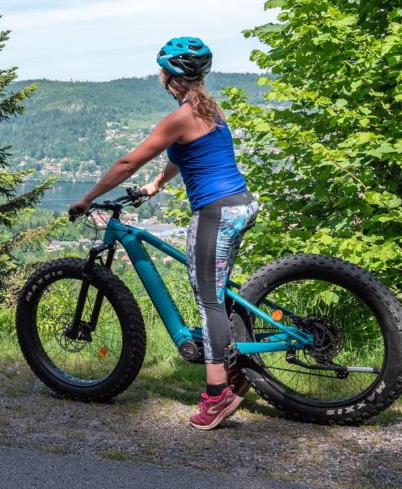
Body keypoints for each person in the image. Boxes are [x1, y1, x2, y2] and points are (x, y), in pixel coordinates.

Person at [68, 36, 259, 430]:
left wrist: (88, 198)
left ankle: (216, 395)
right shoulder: (208, 109)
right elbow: (183, 153)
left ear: (168, 76)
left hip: (215, 212)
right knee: (218, 292)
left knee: (208, 301)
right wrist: (157, 183)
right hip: (240, 203)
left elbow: (126, 163)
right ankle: (239, 370)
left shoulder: (179, 117)